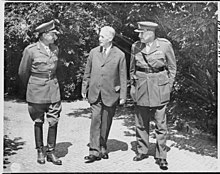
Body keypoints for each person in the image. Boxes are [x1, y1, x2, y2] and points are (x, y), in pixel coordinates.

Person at [130, 21, 176, 169]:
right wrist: (133, 87)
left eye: (142, 33)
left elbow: (172, 68)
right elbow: (132, 69)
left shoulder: (164, 45)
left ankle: (161, 156)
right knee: (141, 123)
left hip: (159, 87)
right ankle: (142, 151)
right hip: (141, 86)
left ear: (151, 33)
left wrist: (168, 86)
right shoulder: (136, 46)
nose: (140, 36)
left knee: (161, 125)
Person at [18, 19, 62, 165]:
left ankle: (51, 151)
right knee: (38, 121)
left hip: (53, 89)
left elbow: (56, 69)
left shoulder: (55, 49)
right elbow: (23, 72)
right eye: (52, 34)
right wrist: (31, 87)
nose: (55, 37)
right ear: (43, 35)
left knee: (53, 121)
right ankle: (40, 151)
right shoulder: (30, 50)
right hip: (36, 89)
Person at [81, 26, 127, 163]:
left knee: (106, 122)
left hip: (110, 94)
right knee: (95, 120)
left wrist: (123, 95)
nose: (99, 39)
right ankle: (94, 151)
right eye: (99, 36)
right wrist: (84, 88)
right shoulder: (93, 52)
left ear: (110, 38)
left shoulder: (120, 55)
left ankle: (102, 146)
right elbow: (87, 73)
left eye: (102, 36)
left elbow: (123, 76)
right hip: (95, 93)